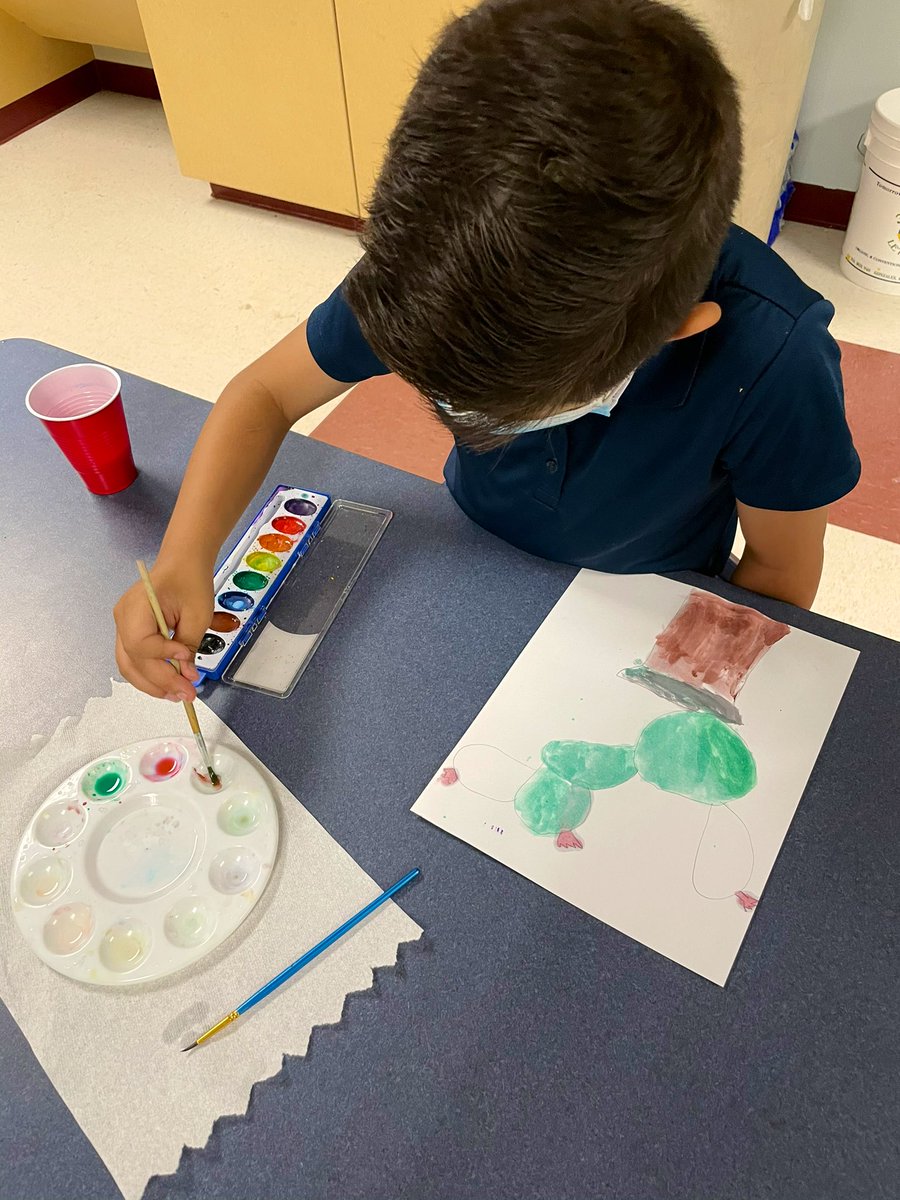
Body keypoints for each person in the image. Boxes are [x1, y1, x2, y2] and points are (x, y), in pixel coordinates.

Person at [114, 0, 860, 702]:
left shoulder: (776, 359)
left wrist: (697, 680)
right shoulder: (429, 273)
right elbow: (267, 393)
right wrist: (186, 553)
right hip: (466, 549)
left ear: (673, 331)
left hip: (643, 599)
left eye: (511, 409)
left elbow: (780, 570)